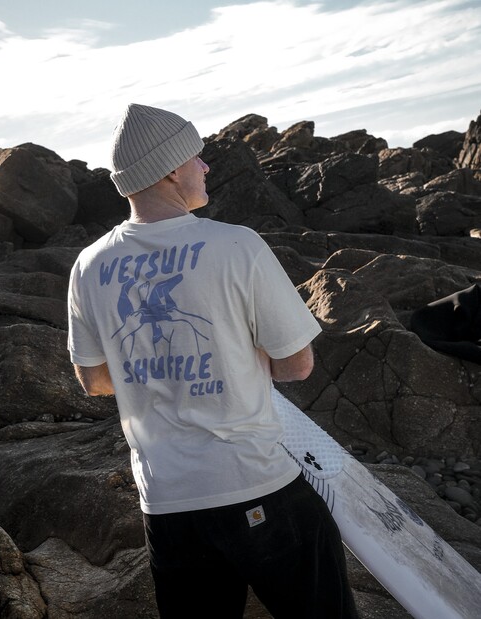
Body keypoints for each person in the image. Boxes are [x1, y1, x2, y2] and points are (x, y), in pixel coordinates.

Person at [67, 103, 358, 618]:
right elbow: (296, 366)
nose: (205, 167)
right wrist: (231, 360)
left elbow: (95, 381)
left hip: (166, 504)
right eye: (196, 158)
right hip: (255, 482)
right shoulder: (236, 245)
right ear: (169, 171)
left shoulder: (88, 266)